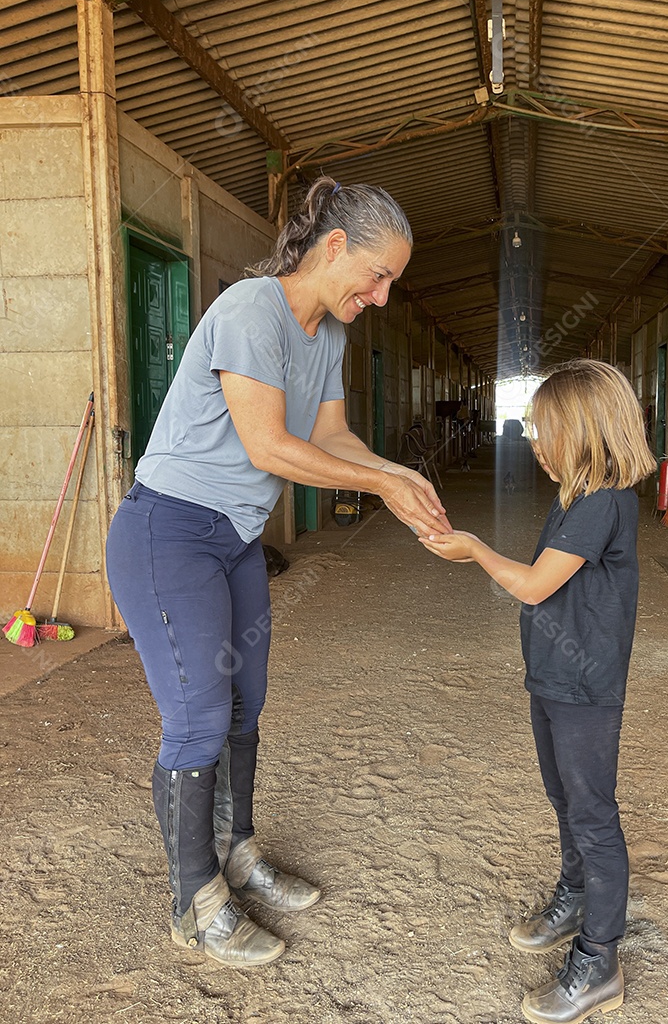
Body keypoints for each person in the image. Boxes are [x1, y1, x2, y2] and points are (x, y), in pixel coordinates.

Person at [105, 177, 451, 967]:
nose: (384, 296)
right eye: (378, 275)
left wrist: (401, 473)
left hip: (232, 538)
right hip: (169, 531)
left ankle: (237, 850)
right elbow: (269, 447)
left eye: (391, 281)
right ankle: (195, 900)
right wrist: (381, 485)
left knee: (244, 700)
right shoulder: (251, 311)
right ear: (335, 248)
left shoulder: (327, 334)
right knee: (196, 716)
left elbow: (332, 439)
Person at [420, 360, 656, 1024]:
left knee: (592, 814)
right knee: (564, 797)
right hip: (553, 676)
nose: (535, 443)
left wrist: (473, 547)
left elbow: (531, 585)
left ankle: (600, 958)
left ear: (583, 432)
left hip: (584, 687)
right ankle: (576, 894)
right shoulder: (576, 500)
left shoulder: (604, 504)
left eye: (544, 430)